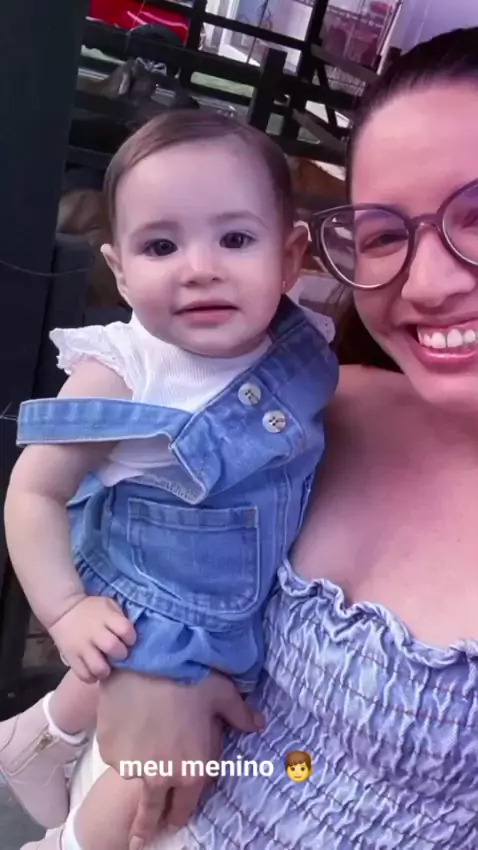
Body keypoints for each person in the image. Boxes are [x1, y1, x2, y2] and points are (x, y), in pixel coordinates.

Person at [38, 25, 478, 850]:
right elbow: (139, 546)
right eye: (386, 233)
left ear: (287, 255)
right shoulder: (309, 406)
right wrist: (136, 676)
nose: (426, 283)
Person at [0, 111, 338, 849]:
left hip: (237, 605)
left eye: (236, 239)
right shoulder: (124, 369)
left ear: (290, 258)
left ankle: (40, 734)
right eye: (161, 245)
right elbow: (33, 491)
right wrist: (65, 611)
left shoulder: (304, 350)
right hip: (150, 601)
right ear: (120, 270)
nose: (199, 267)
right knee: (154, 774)